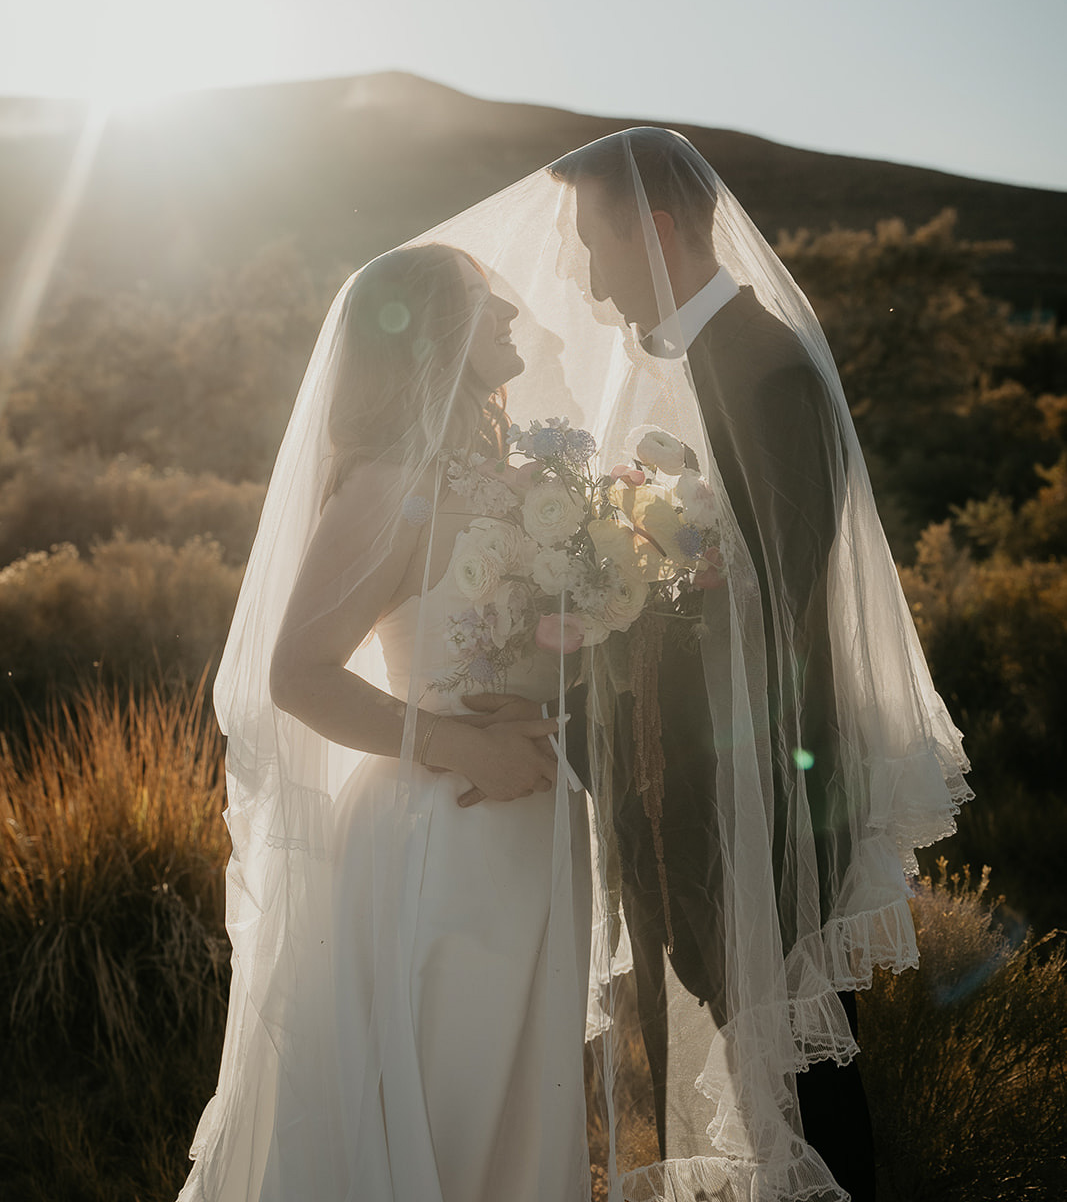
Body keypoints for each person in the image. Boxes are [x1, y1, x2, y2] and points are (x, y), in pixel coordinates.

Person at [466, 127, 972, 1202]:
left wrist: (619, 601)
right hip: (678, 784)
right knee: (757, 1070)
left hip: (763, 789)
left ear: (653, 233)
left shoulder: (764, 368)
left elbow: (774, 604)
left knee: (798, 1073)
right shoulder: (696, 361)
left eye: (596, 248)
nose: (590, 284)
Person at [177, 242, 593, 1202]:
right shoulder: (383, 482)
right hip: (434, 838)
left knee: (514, 1114)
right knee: (435, 1107)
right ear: (438, 333)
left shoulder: (514, 476)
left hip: (535, 834)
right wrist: (465, 744)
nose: (512, 319)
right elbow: (296, 674)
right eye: (488, 306)